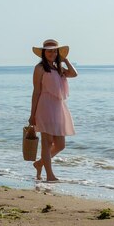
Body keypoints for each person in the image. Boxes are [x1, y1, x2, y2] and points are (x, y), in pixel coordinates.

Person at [29, 39, 77, 181]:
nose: (52, 53)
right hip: (45, 106)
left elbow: (74, 74)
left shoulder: (59, 68)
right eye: (49, 51)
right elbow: (36, 91)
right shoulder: (39, 68)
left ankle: (39, 164)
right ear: (44, 53)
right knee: (47, 142)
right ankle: (49, 175)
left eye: (55, 51)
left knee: (60, 145)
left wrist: (65, 60)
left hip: (58, 107)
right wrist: (32, 114)